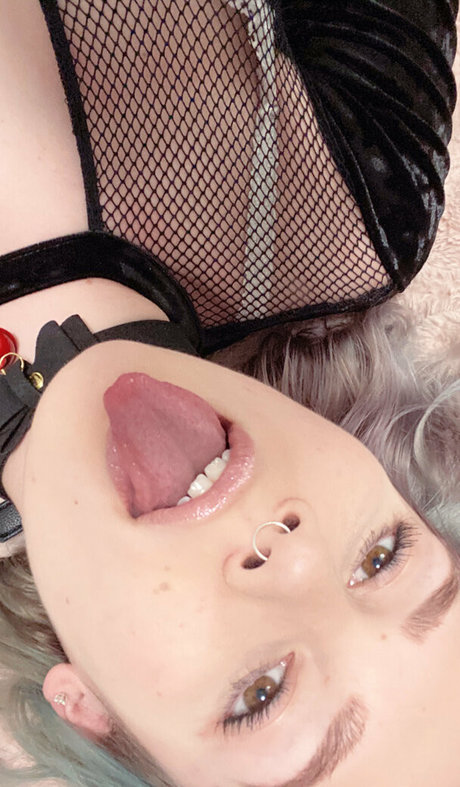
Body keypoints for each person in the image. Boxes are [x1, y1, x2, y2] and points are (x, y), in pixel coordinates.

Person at [0, 1, 458, 786]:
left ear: (88, 706)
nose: (293, 552)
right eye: (383, 556)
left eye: (261, 694)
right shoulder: (358, 188)